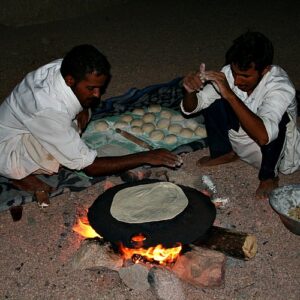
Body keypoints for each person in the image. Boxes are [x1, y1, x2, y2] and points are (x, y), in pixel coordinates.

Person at [0, 44, 182, 202]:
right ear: (70, 80)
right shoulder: (48, 110)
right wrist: (146, 156)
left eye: (100, 87)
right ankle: (17, 173)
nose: (98, 94)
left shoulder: (63, 68)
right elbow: (91, 167)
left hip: (32, 123)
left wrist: (82, 108)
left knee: (81, 115)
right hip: (8, 147)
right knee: (68, 155)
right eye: (91, 88)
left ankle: (62, 139)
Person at [181, 31, 300, 200]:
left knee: (279, 119)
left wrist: (230, 94)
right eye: (235, 73)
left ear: (265, 70)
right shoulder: (229, 73)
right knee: (216, 94)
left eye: (245, 76)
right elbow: (193, 106)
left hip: (277, 155)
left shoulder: (280, 86)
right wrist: (190, 90)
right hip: (243, 137)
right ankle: (224, 152)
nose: (237, 81)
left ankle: (268, 176)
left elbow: (264, 136)